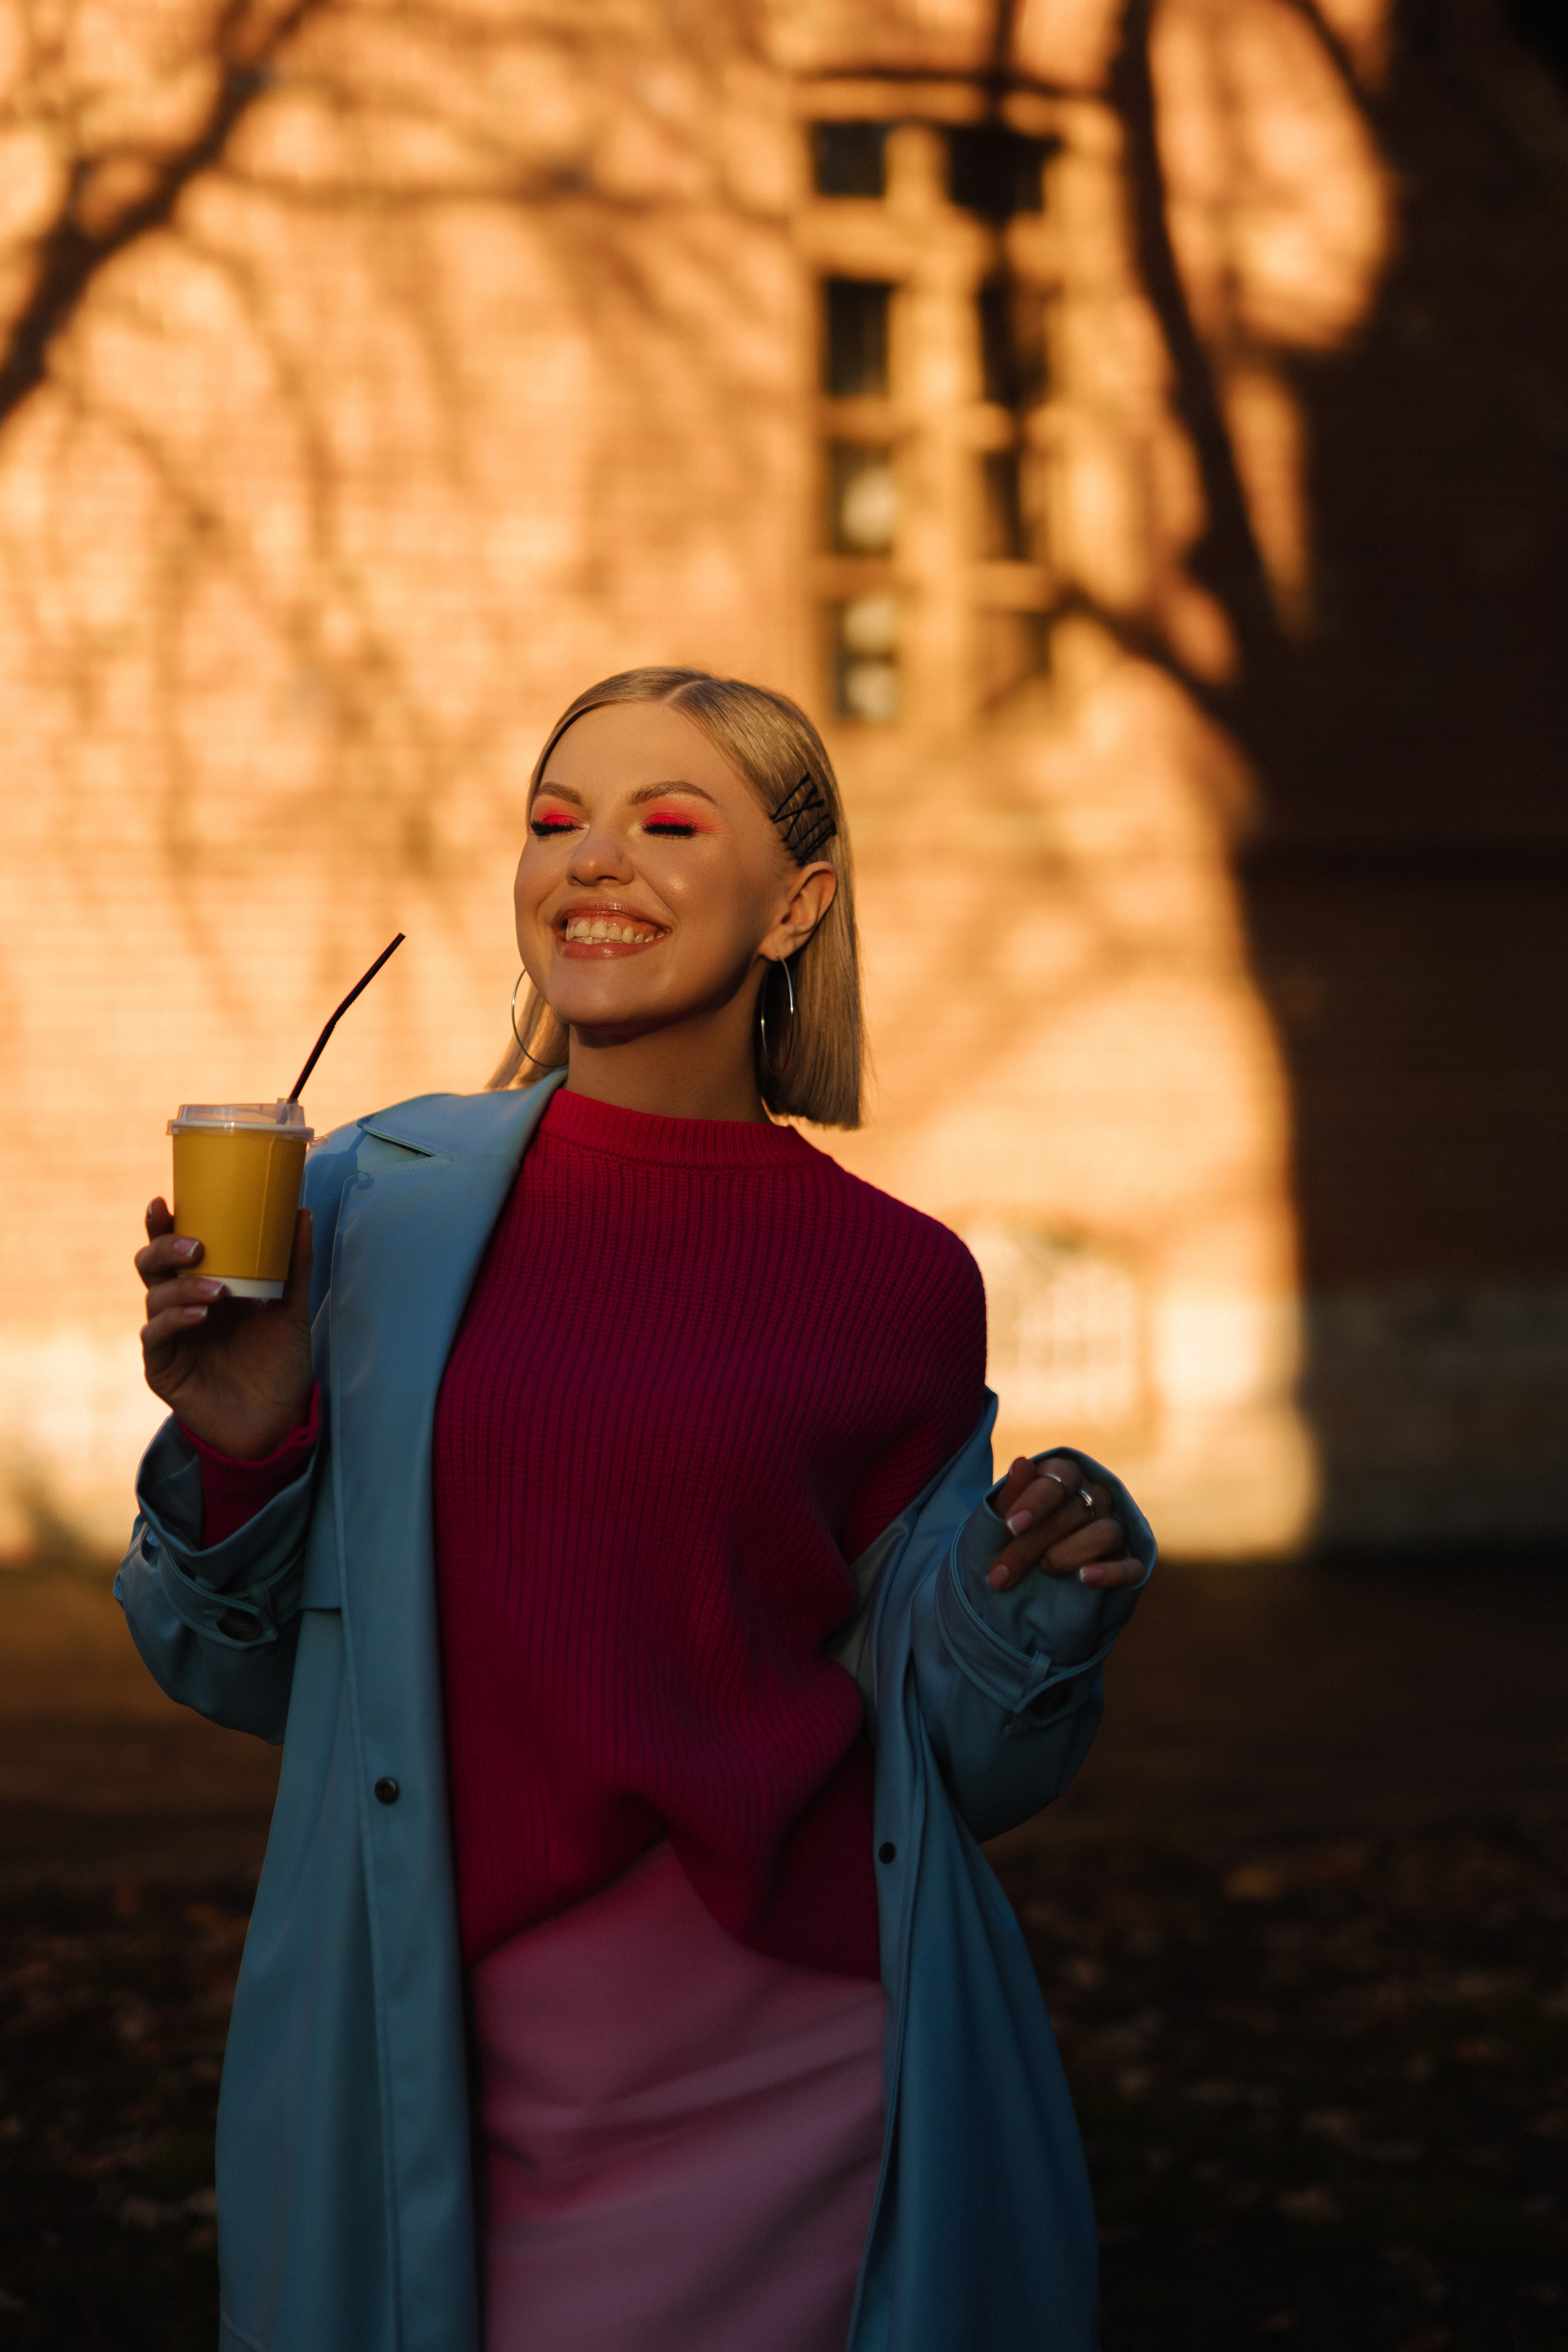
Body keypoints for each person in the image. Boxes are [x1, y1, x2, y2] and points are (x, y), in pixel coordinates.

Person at [120, 668, 1155, 2352]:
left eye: (670, 823)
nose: (593, 861)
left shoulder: (899, 1280)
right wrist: (243, 1448)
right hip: (428, 2046)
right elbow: (222, 1667)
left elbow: (964, 1758)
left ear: (796, 903)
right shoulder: (360, 1209)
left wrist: (1040, 1598)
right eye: (555, 821)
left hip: (801, 2068)